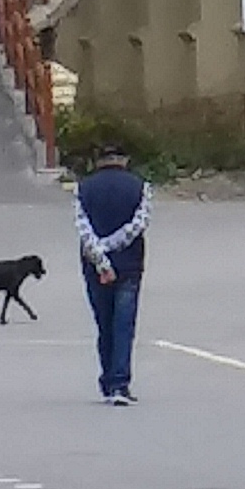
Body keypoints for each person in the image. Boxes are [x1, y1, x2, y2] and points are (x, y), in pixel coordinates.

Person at [74, 141, 150, 404]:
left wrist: (101, 258)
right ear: (124, 160)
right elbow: (139, 224)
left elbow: (83, 229)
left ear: (99, 161)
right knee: (123, 325)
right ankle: (119, 383)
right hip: (129, 265)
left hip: (94, 266)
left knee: (104, 324)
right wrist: (113, 249)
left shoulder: (83, 188)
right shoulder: (140, 187)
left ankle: (107, 380)